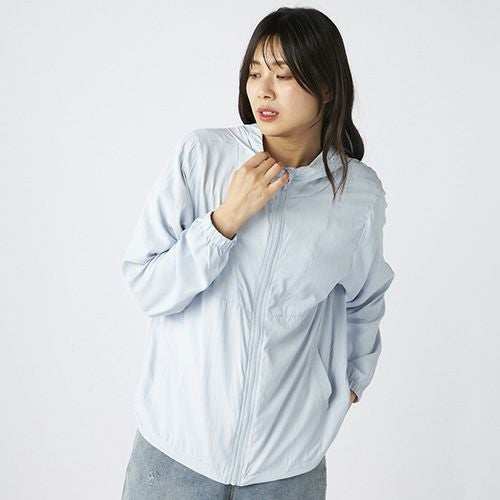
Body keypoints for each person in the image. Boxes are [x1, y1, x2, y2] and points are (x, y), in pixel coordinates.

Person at [120, 6, 395, 499]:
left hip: (287, 469)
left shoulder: (358, 194)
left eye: (283, 75)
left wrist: (351, 382)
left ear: (327, 87)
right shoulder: (201, 156)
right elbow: (146, 286)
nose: (263, 90)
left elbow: (365, 298)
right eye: (254, 72)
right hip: (174, 456)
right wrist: (223, 222)